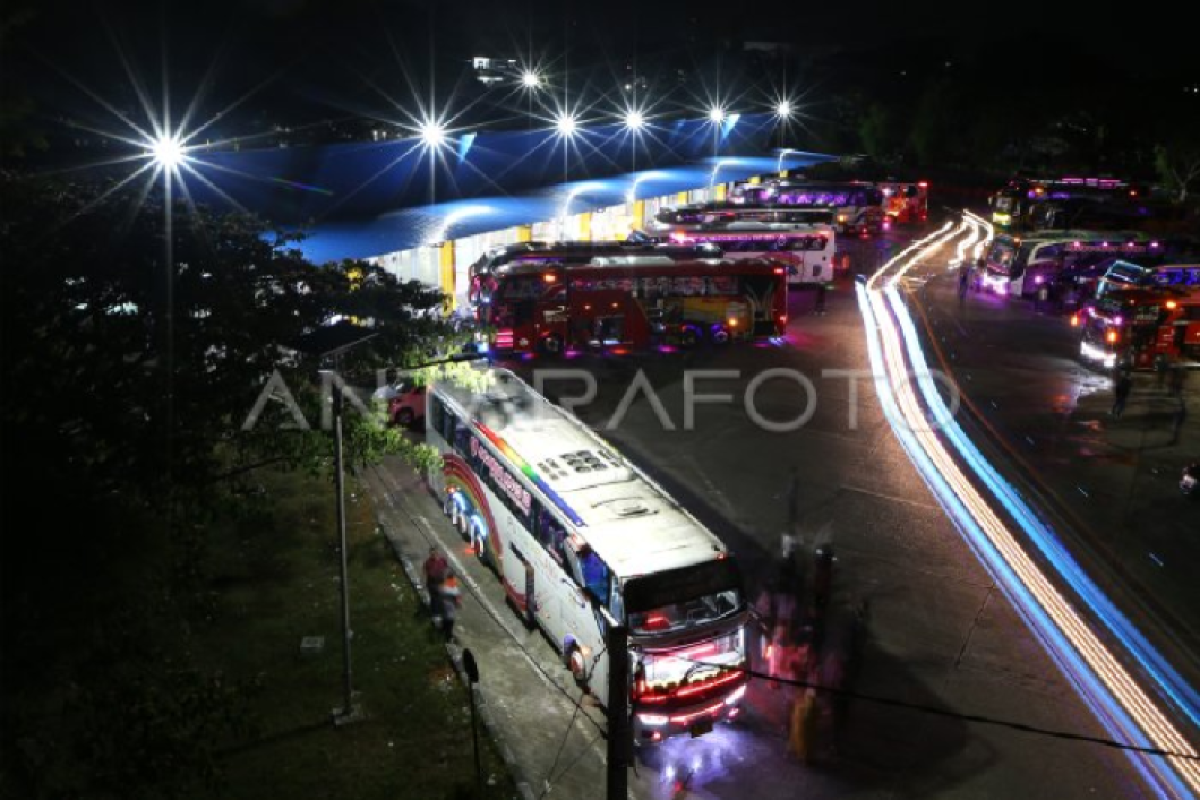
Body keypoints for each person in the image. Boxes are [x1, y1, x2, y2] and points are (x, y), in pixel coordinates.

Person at [423, 546, 448, 619]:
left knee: (441, 597)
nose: (434, 555)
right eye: (432, 554)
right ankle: (434, 612)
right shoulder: (428, 563)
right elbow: (425, 572)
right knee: (434, 598)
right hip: (432, 583)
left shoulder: (442, 560)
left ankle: (440, 611)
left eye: (435, 553)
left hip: (440, 582)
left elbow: (445, 569)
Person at [440, 570, 462, 643]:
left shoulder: (444, 584)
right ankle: (448, 636)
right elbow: (457, 597)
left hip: (443, 604)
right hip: (450, 605)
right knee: (450, 620)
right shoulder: (453, 587)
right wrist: (458, 604)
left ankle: (443, 630)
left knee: (445, 618)